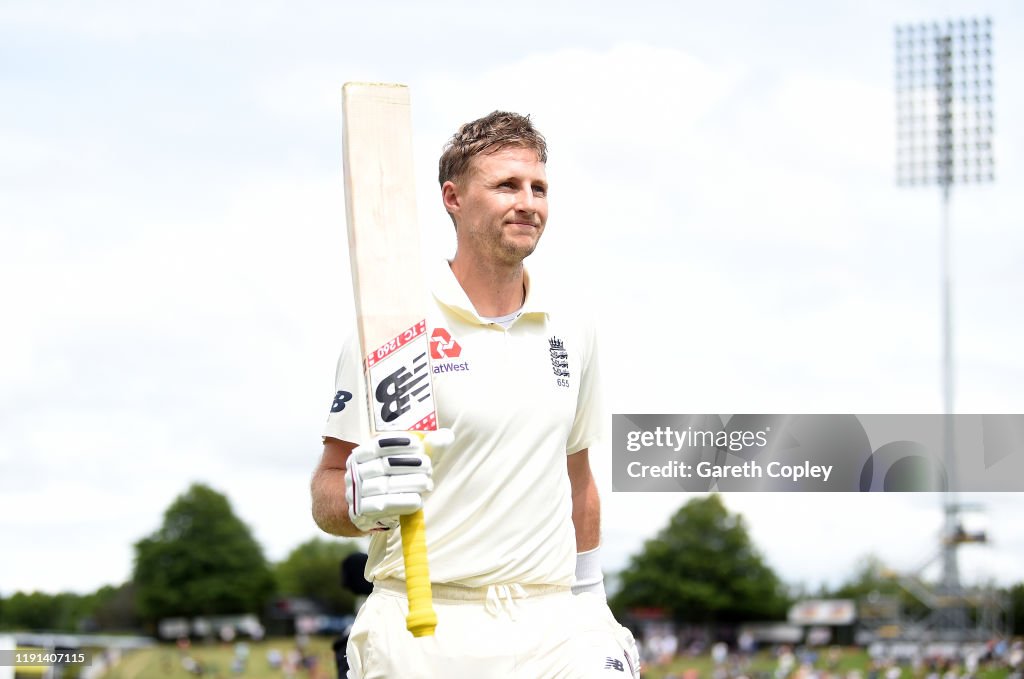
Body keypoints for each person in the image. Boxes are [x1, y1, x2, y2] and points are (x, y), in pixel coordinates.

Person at [311, 110, 639, 678]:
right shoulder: (393, 323)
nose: (528, 203)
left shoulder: (572, 325)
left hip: (549, 628)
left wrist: (592, 603)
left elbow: (578, 477)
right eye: (506, 185)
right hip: (425, 624)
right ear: (454, 198)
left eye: (539, 188)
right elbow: (326, 489)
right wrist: (361, 499)